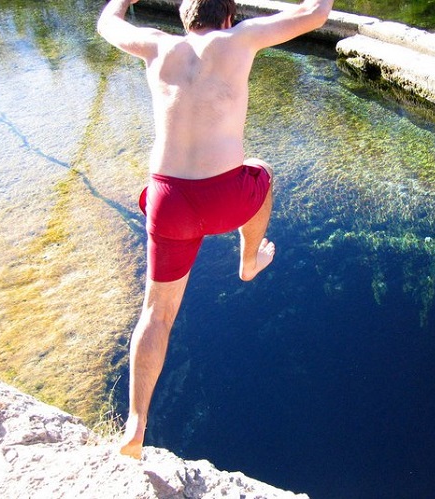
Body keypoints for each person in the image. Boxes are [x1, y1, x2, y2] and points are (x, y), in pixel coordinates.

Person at [97, 0, 334, 459]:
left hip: (169, 203)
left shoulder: (158, 47)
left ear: (186, 22)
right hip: (225, 199)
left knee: (157, 313)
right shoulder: (239, 39)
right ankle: (247, 261)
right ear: (228, 18)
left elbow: (108, 24)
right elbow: (315, 14)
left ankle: (135, 424)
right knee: (260, 172)